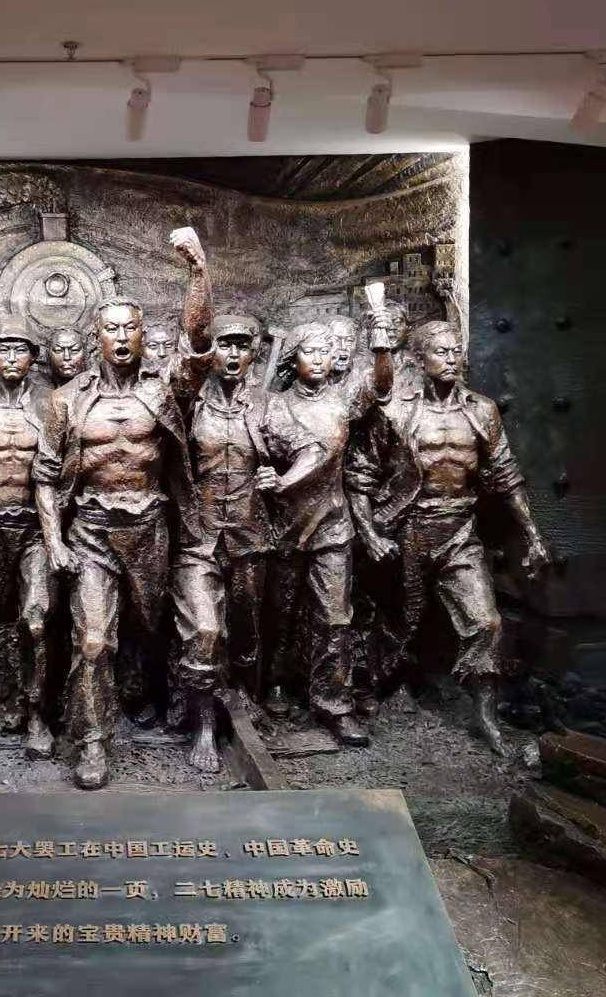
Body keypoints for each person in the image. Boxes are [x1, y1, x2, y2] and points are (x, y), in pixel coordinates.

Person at [33, 228, 215, 790]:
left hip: (152, 530)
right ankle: (92, 741)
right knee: (93, 639)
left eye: (129, 328)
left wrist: (197, 272)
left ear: (141, 335)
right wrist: (54, 540)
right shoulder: (67, 400)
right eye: (110, 328)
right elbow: (45, 476)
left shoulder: (165, 390)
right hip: (91, 534)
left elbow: (199, 344)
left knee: (152, 628)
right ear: (96, 337)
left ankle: (170, 702)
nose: (120, 336)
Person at [346, 321, 550, 756]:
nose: (452, 358)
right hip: (406, 529)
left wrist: (532, 535)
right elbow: (360, 476)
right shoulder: (395, 410)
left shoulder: (482, 411)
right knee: (396, 624)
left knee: (486, 622)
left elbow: (506, 475)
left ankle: (486, 716)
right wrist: (370, 533)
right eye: (441, 352)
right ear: (418, 360)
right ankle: (371, 691)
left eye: (456, 351)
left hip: (459, 531)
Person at [172, 314, 326, 771]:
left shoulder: (265, 405)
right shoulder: (189, 401)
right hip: (198, 538)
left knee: (246, 631)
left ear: (254, 352)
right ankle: (202, 724)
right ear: (211, 352)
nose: (234, 354)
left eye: (242, 345)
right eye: (225, 344)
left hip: (248, 537)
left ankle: (241, 700)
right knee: (204, 631)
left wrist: (283, 480)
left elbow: (312, 448)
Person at [263, 314, 393, 747]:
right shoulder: (273, 406)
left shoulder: (343, 401)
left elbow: (381, 385)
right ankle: (275, 683)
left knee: (335, 618)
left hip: (333, 525)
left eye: (324, 351)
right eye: (309, 351)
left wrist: (380, 344)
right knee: (281, 613)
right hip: (286, 525)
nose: (318, 359)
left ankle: (334, 703)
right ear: (293, 358)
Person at [0, 317, 56, 755]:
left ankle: (37, 710)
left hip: (35, 529)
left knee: (35, 620)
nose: (13, 357)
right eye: (4, 349)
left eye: (21, 349)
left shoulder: (51, 406)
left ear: (34, 357)